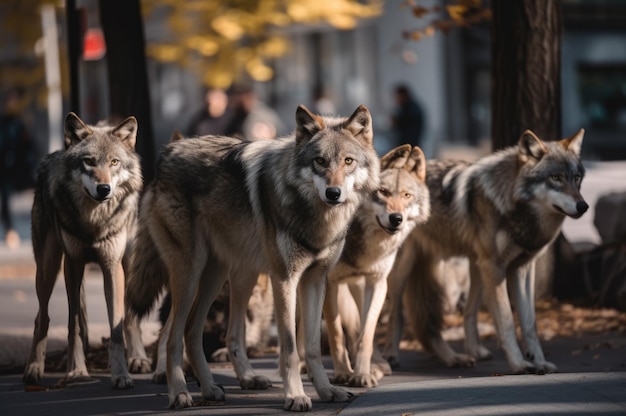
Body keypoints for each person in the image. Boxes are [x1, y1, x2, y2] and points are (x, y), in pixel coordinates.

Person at [0, 88, 36, 249]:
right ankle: (10, 230)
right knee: (6, 198)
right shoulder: (4, 122)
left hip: (18, 167)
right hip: (4, 167)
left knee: (37, 188)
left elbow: (28, 145)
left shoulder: (20, 122)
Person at [390, 84, 425, 148]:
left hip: (409, 145)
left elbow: (404, 125)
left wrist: (396, 121)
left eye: (398, 97)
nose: (396, 99)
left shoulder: (411, 109)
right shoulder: (408, 108)